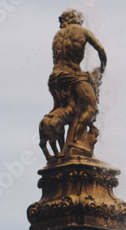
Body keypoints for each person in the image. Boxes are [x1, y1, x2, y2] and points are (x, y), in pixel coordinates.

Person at [39, 9, 107, 160]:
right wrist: (103, 67)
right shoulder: (83, 32)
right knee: (91, 108)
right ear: (78, 19)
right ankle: (74, 142)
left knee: (65, 111)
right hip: (73, 75)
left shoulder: (58, 34)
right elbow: (101, 50)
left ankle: (61, 149)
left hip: (54, 78)